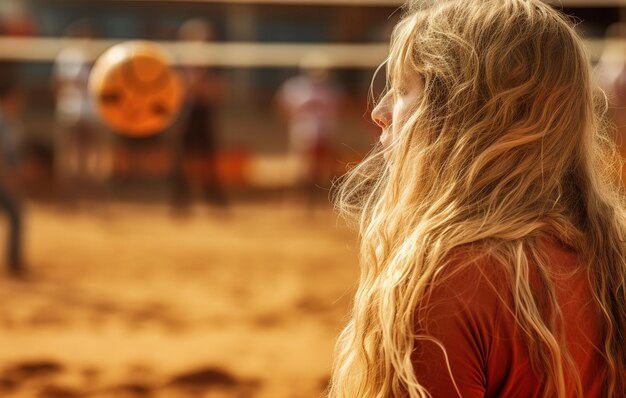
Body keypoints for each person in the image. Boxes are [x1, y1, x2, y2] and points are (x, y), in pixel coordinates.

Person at [328, 1, 626, 397]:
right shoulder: (611, 257)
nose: (379, 112)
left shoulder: (449, 278)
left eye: (401, 89)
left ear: (463, 114)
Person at [0, 70, 24, 276]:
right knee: (16, 215)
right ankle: (14, 262)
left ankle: (14, 262)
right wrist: (7, 176)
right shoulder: (3, 120)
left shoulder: (9, 120)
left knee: (15, 215)